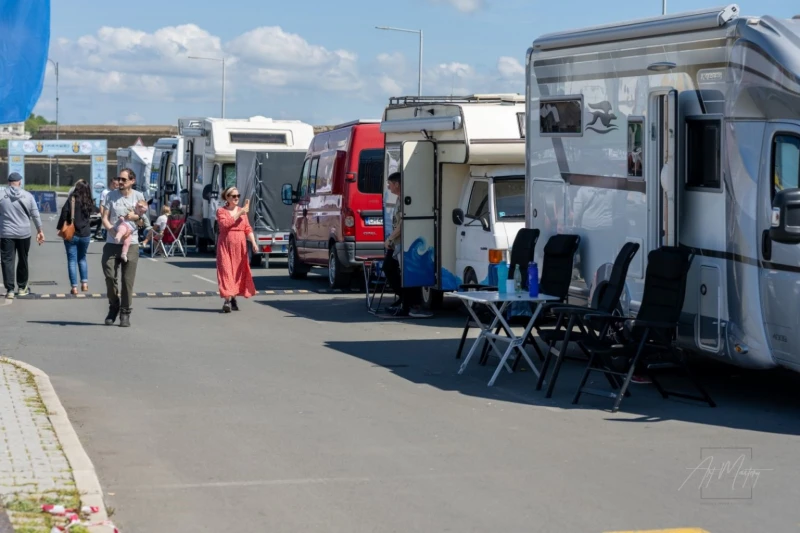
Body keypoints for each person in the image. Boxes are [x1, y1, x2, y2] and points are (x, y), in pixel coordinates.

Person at [101, 168, 149, 327]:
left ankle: (125, 312)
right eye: (118, 179)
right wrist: (112, 230)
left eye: (123, 180)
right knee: (109, 277)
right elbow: (105, 218)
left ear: (132, 181)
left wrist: (136, 218)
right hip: (112, 242)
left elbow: (142, 223)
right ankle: (114, 305)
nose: (120, 182)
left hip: (131, 244)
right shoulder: (110, 196)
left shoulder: (138, 196)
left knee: (127, 282)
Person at [382, 172, 431, 318]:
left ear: (397, 184)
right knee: (389, 268)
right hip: (398, 242)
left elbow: (404, 222)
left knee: (400, 271)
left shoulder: (405, 199)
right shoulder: (398, 198)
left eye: (390, 184)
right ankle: (404, 300)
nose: (389, 188)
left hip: (405, 242)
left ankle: (410, 303)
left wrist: (390, 239)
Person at [0, 172, 44, 299]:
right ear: (19, 182)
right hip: (24, 234)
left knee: (7, 261)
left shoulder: (1, 195)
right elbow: (35, 214)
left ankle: (9, 289)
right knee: (23, 259)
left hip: (6, 233)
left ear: (8, 182)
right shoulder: (28, 196)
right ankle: (21, 287)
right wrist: (40, 230)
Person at [215, 186, 257, 313]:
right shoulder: (221, 211)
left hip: (240, 246)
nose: (237, 198)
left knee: (237, 273)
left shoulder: (241, 212)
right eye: (234, 196)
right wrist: (241, 212)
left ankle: (233, 297)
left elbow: (247, 228)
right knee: (226, 272)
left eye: (238, 195)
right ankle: (227, 301)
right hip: (225, 246)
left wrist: (254, 243)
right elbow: (225, 224)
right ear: (227, 197)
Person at [57, 180, 94, 295]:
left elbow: (64, 214)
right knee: (82, 258)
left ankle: (74, 287)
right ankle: (85, 283)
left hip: (72, 234)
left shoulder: (72, 199)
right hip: (85, 234)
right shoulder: (89, 201)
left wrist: (60, 228)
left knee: (72, 260)